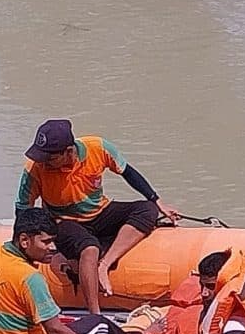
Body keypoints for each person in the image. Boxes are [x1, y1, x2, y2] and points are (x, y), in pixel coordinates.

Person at [14, 118, 175, 315]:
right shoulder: (35, 168)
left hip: (100, 212)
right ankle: (95, 314)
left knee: (147, 209)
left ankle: (104, 265)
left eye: (50, 158)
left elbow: (128, 172)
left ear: (69, 151)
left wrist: (157, 200)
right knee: (90, 248)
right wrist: (22, 249)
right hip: (63, 221)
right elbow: (23, 208)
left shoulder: (97, 148)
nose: (44, 162)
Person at [0, 209, 132, 334]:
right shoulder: (30, 278)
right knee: (99, 324)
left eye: (54, 241)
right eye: (46, 242)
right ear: (24, 240)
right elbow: (55, 330)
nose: (53, 248)